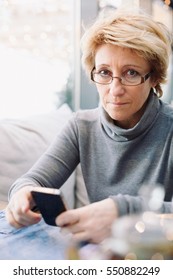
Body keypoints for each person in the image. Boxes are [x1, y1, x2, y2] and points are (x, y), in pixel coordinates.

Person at [6, 8, 173, 244]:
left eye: (131, 73)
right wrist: (20, 196)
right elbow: (33, 181)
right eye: (104, 72)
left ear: (154, 77)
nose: (115, 89)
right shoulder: (81, 126)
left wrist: (122, 210)